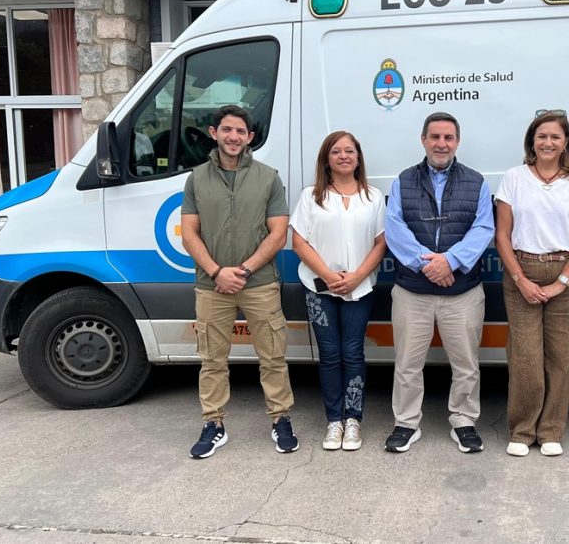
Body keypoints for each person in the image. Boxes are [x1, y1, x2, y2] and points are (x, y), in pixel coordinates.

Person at [181, 104, 299, 459]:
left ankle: (281, 419)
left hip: (259, 282)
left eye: (240, 132)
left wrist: (244, 270)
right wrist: (218, 272)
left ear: (250, 138)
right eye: (227, 130)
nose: (233, 137)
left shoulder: (268, 177)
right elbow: (189, 233)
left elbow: (278, 233)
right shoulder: (196, 178)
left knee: (273, 356)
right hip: (212, 285)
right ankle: (213, 424)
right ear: (214, 133)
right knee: (212, 360)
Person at [383, 111, 495, 454]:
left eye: (448, 137)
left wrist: (451, 261)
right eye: (435, 137)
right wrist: (427, 263)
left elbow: (483, 228)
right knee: (407, 365)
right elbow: (394, 227)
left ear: (457, 142)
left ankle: (464, 420)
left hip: (462, 291)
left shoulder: (477, 182)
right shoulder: (402, 181)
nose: (441, 144)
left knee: (466, 365)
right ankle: (406, 423)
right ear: (423, 140)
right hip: (412, 290)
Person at [495, 111, 569, 457]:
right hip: (522, 270)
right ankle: (522, 430)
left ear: (566, 142)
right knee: (525, 357)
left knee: (561, 357)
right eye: (541, 136)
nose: (548, 142)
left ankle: (551, 430)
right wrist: (520, 279)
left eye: (555, 136)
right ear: (532, 141)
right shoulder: (514, 177)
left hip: (567, 273)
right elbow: (502, 236)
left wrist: (562, 282)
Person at [291, 131, 386, 451]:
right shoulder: (311, 196)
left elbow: (381, 243)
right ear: (326, 159)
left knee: (353, 352)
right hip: (319, 288)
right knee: (330, 355)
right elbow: (299, 242)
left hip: (360, 288)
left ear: (358, 158)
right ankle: (334, 420)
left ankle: (353, 419)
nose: (343, 156)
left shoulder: (373, 196)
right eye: (336, 151)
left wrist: (357, 276)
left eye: (349, 151)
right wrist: (329, 276)